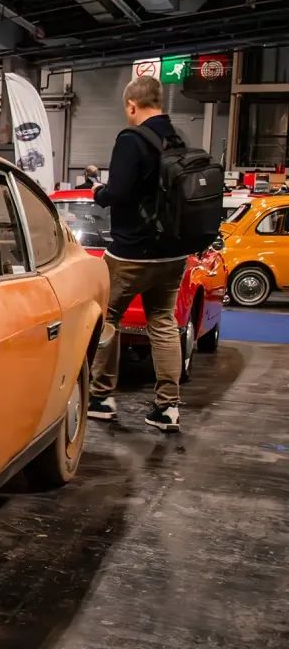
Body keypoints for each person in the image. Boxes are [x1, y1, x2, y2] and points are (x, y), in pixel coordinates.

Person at [87, 75, 192, 433]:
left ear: (132, 105)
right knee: (162, 322)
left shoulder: (130, 139)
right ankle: (168, 407)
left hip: (131, 252)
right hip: (173, 253)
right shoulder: (178, 139)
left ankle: (100, 398)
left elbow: (117, 192)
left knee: (107, 317)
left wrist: (98, 192)